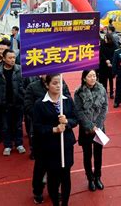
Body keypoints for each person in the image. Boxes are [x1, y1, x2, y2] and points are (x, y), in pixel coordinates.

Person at [33, 74, 78, 206]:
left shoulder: (68, 100)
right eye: (54, 83)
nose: (58, 86)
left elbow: (75, 119)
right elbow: (37, 127)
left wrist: (67, 122)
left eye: (60, 83)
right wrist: (53, 129)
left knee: (66, 178)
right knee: (53, 180)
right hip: (49, 148)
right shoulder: (40, 104)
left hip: (66, 146)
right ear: (47, 85)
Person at [25, 75, 71, 203]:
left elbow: (68, 104)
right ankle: (38, 191)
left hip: (61, 138)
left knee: (60, 171)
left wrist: (64, 120)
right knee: (41, 167)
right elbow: (28, 107)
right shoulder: (32, 87)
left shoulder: (61, 82)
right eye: (54, 83)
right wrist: (48, 119)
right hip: (44, 138)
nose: (58, 85)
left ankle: (55, 192)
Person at [74, 70, 108, 192]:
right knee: (87, 155)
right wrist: (89, 125)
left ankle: (98, 177)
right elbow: (78, 111)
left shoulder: (102, 89)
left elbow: (105, 107)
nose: (93, 78)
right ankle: (90, 178)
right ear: (84, 78)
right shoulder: (78, 92)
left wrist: (98, 124)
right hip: (86, 129)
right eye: (90, 76)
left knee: (98, 154)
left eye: (94, 76)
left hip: (99, 128)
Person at [0, 49, 26, 156]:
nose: (12, 60)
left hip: (18, 103)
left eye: (14, 57)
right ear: (4, 58)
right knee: (5, 126)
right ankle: (8, 146)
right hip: (4, 104)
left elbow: (26, 85)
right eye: (10, 58)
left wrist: (22, 95)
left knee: (18, 125)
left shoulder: (20, 70)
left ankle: (19, 144)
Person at [99, 33, 116, 99]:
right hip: (104, 64)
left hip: (111, 65)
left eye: (106, 38)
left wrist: (110, 61)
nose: (105, 39)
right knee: (104, 80)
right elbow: (101, 53)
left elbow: (115, 54)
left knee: (111, 79)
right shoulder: (103, 45)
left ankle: (111, 92)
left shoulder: (114, 45)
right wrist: (106, 60)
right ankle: (104, 92)